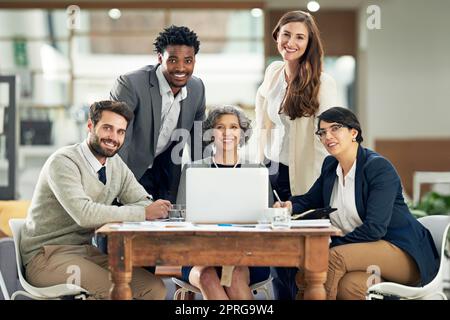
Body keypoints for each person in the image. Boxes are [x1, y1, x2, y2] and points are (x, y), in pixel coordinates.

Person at [273, 107, 440, 300]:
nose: (328, 136)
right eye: (323, 132)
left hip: (402, 252)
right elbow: (310, 200)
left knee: (330, 260)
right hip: (365, 254)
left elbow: (374, 229)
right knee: (348, 286)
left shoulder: (377, 168)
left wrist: (331, 245)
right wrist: (289, 206)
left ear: (354, 133)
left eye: (335, 128)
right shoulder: (330, 166)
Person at [20, 100, 171, 300]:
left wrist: (145, 208)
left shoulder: (115, 164)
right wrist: (143, 213)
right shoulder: (64, 162)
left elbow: (143, 200)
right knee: (116, 292)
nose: (113, 138)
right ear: (90, 126)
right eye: (107, 128)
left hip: (85, 252)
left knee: (154, 288)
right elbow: (85, 214)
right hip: (46, 256)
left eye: (120, 132)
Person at [255, 10, 337, 299]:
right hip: (271, 171)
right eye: (286, 34)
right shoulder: (274, 72)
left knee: (297, 257)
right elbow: (261, 123)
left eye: (299, 37)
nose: (291, 42)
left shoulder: (323, 82)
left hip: (302, 176)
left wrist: (318, 189)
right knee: (276, 255)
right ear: (277, 35)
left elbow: (328, 139)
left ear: (309, 42)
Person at [176, 105, 271, 300]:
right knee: (207, 276)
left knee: (235, 276)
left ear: (242, 132)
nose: (227, 132)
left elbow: (267, 219)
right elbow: (182, 216)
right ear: (211, 132)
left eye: (234, 127)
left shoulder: (257, 170)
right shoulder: (193, 169)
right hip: (199, 254)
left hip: (247, 255)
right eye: (220, 127)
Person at [110, 25, 206, 203]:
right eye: (173, 60)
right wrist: (119, 189)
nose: (181, 68)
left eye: (188, 60)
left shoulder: (197, 88)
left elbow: (199, 143)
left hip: (166, 174)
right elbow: (118, 141)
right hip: (130, 170)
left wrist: (205, 185)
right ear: (160, 58)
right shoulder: (131, 85)